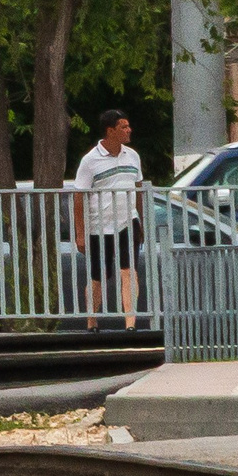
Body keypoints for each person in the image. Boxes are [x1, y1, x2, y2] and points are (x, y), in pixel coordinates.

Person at [74, 109, 145, 329]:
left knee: (129, 271)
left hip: (128, 221)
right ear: (110, 131)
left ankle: (130, 323)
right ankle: (91, 320)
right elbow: (79, 197)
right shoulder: (90, 161)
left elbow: (139, 189)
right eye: (123, 127)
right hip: (100, 225)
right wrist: (80, 233)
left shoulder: (132, 156)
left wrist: (140, 221)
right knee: (99, 275)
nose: (128, 130)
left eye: (128, 126)